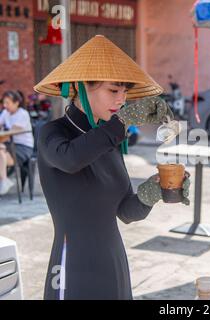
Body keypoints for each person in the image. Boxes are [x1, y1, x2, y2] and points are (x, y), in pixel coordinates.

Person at [34, 35, 190, 300]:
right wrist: (123, 121)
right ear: (83, 87)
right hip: (73, 265)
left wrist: (155, 190)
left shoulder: (109, 140)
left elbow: (126, 211)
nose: (122, 100)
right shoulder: (53, 133)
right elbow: (71, 159)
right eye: (113, 90)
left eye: (125, 92)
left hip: (113, 261)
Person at [0, 90, 34, 195]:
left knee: (1, 152)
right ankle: (4, 180)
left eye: (8, 103)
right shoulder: (5, 113)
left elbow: (11, 133)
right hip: (9, 144)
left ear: (16, 103)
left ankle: (4, 180)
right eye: (4, 103)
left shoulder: (23, 114)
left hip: (23, 147)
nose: (5, 106)